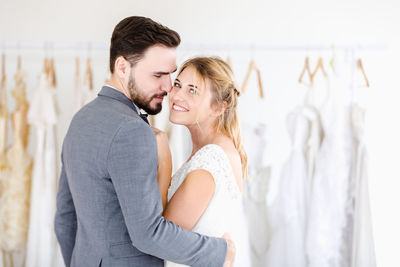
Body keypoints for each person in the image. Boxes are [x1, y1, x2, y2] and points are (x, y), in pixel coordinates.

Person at [54, 16, 235, 267]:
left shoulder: (81, 119)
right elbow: (148, 234)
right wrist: (218, 252)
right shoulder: (132, 130)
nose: (168, 87)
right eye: (158, 75)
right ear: (122, 67)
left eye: (170, 75)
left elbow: (64, 219)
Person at [155, 57, 251, 267]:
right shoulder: (215, 150)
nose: (177, 95)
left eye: (192, 90)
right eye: (178, 85)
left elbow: (162, 239)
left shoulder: (209, 163)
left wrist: (164, 159)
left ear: (218, 107)